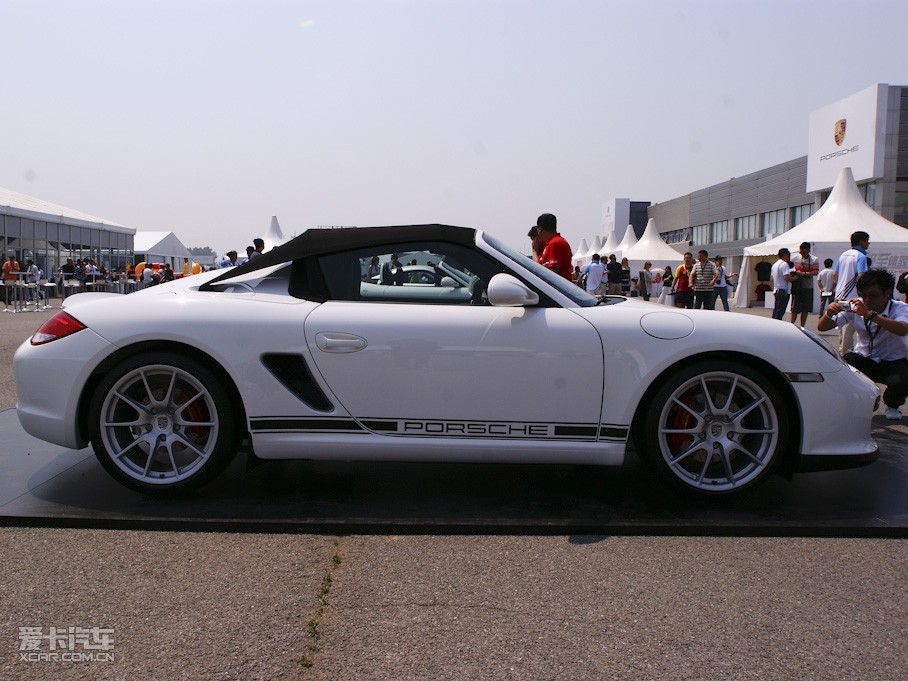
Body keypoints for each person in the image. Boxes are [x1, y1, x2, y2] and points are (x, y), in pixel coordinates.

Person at [818, 269, 908, 420]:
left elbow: (902, 329)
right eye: (862, 295)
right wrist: (829, 313)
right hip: (866, 359)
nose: (867, 300)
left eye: (873, 295)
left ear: (887, 292)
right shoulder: (855, 306)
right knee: (847, 361)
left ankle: (893, 404)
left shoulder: (900, 308)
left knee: (905, 376)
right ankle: (860, 403)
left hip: (892, 362)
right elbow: (822, 327)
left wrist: (870, 315)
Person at [834, 231, 870, 354]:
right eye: (867, 241)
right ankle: (847, 359)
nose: (868, 244)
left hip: (840, 296)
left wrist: (839, 290)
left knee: (842, 331)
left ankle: (843, 354)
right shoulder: (861, 256)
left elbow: (836, 274)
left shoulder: (843, 255)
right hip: (853, 298)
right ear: (861, 241)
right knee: (853, 331)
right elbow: (862, 276)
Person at [789, 241, 819, 328]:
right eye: (801, 251)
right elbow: (790, 269)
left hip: (808, 286)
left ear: (808, 250)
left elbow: (815, 272)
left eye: (804, 252)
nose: (802, 253)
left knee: (805, 308)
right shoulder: (795, 258)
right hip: (797, 286)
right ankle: (792, 326)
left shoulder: (814, 259)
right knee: (794, 308)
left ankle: (802, 326)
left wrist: (804, 274)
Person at [536, 213, 573, 280]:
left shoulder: (555, 243)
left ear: (540, 229)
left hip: (558, 288)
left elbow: (553, 272)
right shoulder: (551, 243)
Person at [770, 248, 799, 320]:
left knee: (777, 308)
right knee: (781, 310)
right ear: (786, 254)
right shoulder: (784, 264)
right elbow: (786, 277)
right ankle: (777, 324)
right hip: (783, 290)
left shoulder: (775, 264)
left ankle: (773, 323)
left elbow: (771, 278)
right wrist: (795, 278)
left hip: (776, 288)